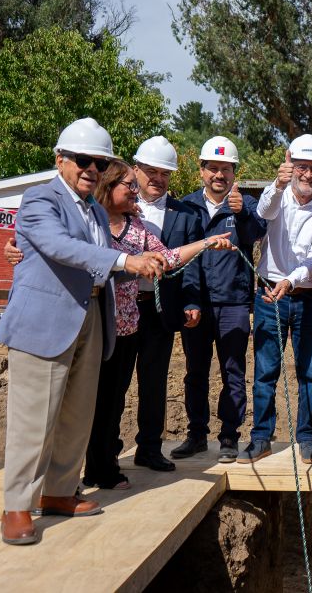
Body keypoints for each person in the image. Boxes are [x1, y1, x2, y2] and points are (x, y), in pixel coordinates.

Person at [0, 118, 165, 545]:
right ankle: (17, 505)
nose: (92, 169)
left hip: (91, 314)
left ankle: (58, 491)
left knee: (77, 413)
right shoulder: (40, 199)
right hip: (44, 321)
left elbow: (101, 259)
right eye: (83, 160)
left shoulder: (94, 210)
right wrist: (126, 261)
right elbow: (61, 247)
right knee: (34, 418)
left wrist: (143, 263)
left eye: (100, 163)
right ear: (61, 160)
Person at [82, 161, 232, 489]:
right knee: (105, 396)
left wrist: (206, 243)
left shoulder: (136, 227)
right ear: (109, 186)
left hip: (129, 323)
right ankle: (99, 463)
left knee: (137, 388)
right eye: (129, 185)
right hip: (98, 321)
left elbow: (169, 257)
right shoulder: (90, 222)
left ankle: (120, 460)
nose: (135, 191)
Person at [242, 135, 312, 465]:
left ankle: (307, 438)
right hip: (270, 296)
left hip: (306, 297)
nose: (308, 174)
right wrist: (278, 184)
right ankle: (261, 438)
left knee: (310, 374)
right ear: (290, 164)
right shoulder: (276, 196)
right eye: (302, 167)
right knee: (265, 371)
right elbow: (263, 212)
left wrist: (291, 280)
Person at [171, 136, 267, 463]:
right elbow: (179, 255)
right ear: (201, 171)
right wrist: (188, 300)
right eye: (213, 168)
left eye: (226, 169)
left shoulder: (246, 204)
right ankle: (196, 435)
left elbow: (255, 234)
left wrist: (241, 215)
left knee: (233, 372)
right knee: (195, 372)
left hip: (233, 303)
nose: (219, 175)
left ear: (234, 173)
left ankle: (229, 437)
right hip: (195, 302)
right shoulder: (186, 206)